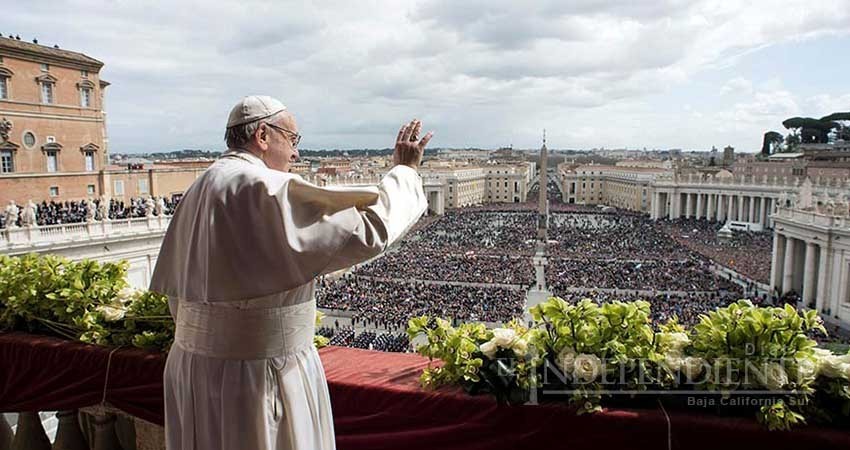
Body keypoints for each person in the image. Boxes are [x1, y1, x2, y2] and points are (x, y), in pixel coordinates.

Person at [149, 95, 432, 450]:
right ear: (263, 136)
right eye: (293, 140)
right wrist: (405, 171)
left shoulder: (200, 186)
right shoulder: (262, 186)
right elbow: (369, 231)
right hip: (259, 374)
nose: (296, 154)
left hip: (191, 368)